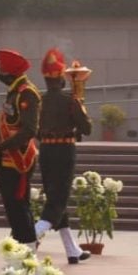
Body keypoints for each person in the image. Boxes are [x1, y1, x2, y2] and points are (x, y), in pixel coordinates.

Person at [0, 49, 40, 248]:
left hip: (18, 158)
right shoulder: (14, 91)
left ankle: (28, 245)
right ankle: (20, 242)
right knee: (13, 206)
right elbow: (8, 123)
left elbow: (29, 130)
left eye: (1, 68)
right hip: (6, 156)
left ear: (10, 71)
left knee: (18, 205)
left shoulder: (27, 93)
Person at [35, 48, 93, 264]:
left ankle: (72, 250)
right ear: (62, 79)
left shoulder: (39, 100)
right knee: (57, 200)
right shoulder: (70, 100)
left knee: (56, 198)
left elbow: (34, 130)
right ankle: (27, 240)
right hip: (64, 152)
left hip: (46, 152)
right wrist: (80, 103)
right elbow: (86, 128)